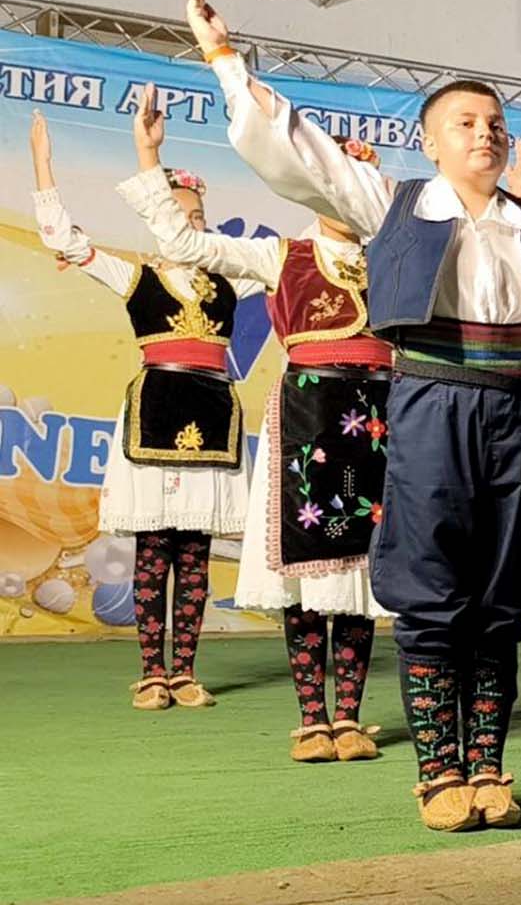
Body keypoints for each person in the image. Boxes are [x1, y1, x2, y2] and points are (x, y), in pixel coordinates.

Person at [190, 0, 521, 831]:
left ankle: (489, 767)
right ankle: (438, 773)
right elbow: (295, 148)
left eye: (495, 122)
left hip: (515, 416)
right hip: (431, 406)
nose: (485, 132)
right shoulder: (391, 207)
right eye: (465, 122)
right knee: (432, 591)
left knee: (502, 597)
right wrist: (220, 53)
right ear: (429, 142)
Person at [118, 88, 391, 762]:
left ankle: (350, 716)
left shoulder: (395, 263)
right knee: (307, 569)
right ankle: (312, 718)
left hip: (379, 428)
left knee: (360, 574)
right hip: (307, 423)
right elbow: (183, 242)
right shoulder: (282, 256)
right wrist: (149, 158)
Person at [29, 109, 258, 712]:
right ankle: (152, 671)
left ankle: (186, 671)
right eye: (179, 216)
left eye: (198, 218)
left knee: (196, 553)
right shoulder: (135, 277)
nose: (189, 225)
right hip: (155, 413)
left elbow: (298, 258)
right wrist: (43, 168)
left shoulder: (232, 281)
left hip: (213, 416)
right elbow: (65, 241)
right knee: (155, 550)